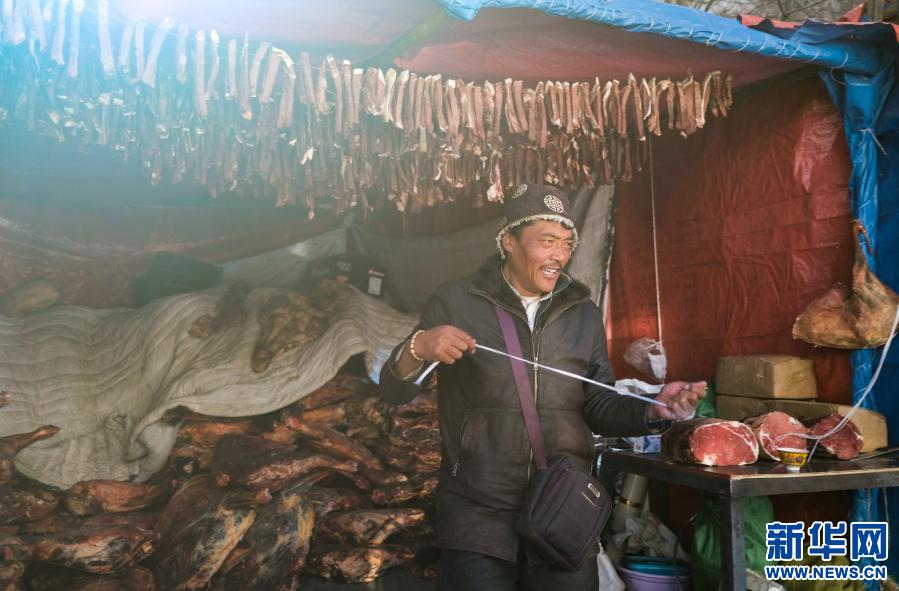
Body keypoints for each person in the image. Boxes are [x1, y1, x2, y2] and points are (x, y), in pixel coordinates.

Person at [379, 183, 705, 591]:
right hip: (479, 510)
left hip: (562, 508)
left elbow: (598, 403)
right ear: (509, 241)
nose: (559, 256)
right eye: (547, 241)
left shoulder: (582, 314)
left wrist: (653, 408)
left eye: (567, 244)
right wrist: (419, 346)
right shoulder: (457, 302)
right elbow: (394, 390)